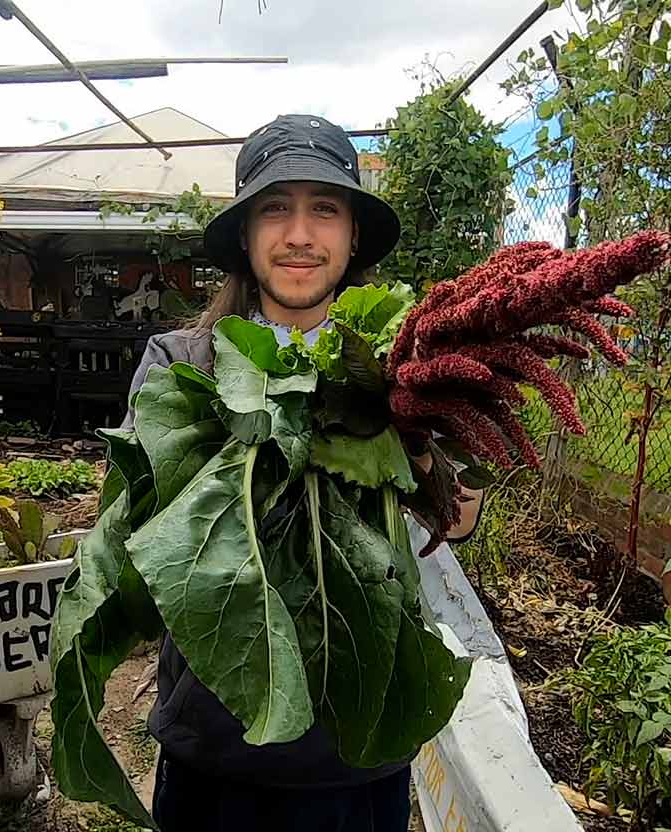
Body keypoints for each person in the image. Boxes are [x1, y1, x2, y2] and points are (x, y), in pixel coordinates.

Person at [122, 114, 484, 831]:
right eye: (274, 208)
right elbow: (148, 518)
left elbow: (461, 517)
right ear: (245, 235)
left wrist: (410, 446)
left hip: (357, 741)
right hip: (217, 738)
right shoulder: (184, 363)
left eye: (324, 208)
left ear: (351, 237)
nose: (298, 234)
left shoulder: (410, 364)